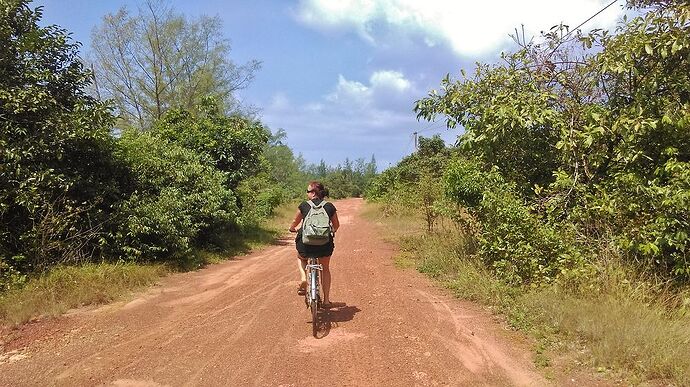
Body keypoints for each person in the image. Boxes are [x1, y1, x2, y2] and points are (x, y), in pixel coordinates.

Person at [288, 181, 339, 308]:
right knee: (325, 268)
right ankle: (326, 301)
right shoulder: (329, 206)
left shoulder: (304, 206)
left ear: (313, 193)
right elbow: (336, 225)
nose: (307, 193)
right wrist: (331, 232)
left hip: (306, 245)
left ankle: (304, 278)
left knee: (301, 258)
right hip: (324, 245)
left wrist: (292, 228)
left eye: (308, 191)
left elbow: (295, 222)